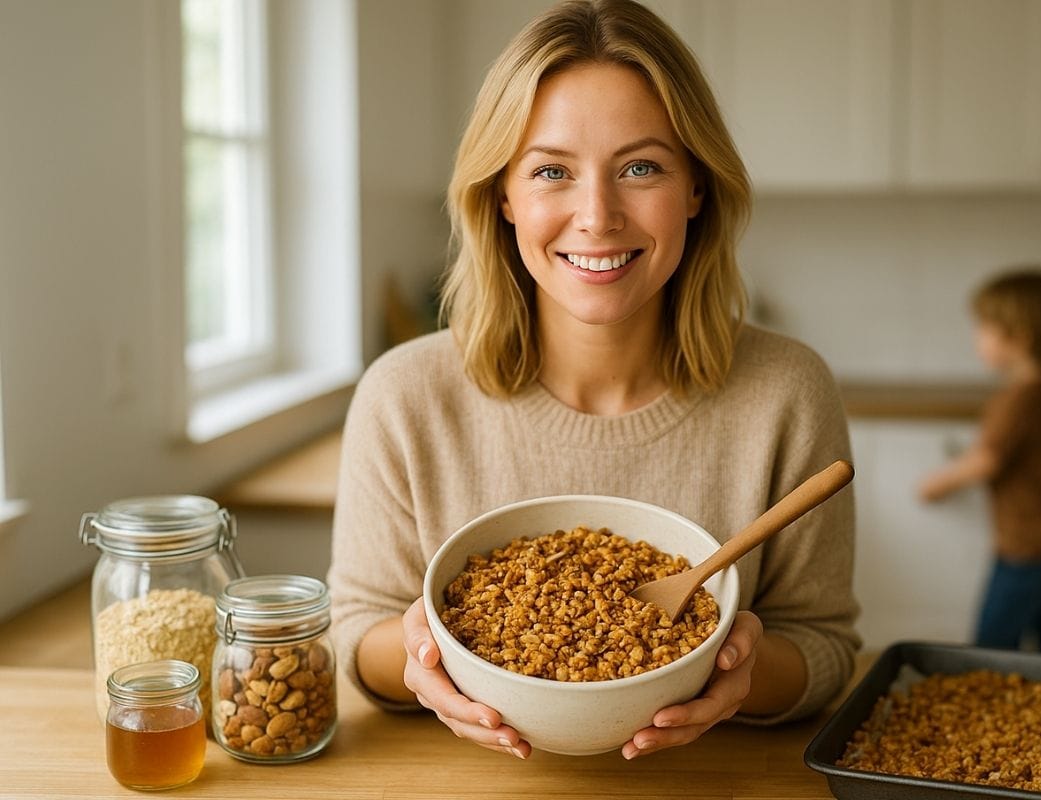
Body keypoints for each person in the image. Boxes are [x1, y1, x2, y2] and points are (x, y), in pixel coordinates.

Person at [328, 0, 858, 761]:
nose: (598, 215)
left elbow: (823, 648)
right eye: (551, 171)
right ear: (503, 197)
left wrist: (738, 669)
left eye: (641, 167)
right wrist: (426, 655)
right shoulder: (405, 395)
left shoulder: (787, 392)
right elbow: (359, 632)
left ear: (698, 188)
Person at [918, 267, 1041, 653]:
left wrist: (935, 486)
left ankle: (986, 709)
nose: (976, 338)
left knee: (990, 647)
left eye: (983, 328)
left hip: (1026, 552)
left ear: (1019, 336)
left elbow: (986, 459)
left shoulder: (1017, 400)